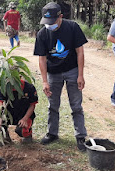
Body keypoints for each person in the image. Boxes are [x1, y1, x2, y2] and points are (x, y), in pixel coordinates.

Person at [33, 2, 88, 151]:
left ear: (60, 17)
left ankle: (81, 136)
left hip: (72, 70)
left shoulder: (72, 27)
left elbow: (80, 52)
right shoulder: (42, 34)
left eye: (51, 22)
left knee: (76, 105)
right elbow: (42, 59)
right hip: (53, 73)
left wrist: (80, 75)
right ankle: (52, 133)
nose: (49, 25)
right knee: (53, 105)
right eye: (46, 22)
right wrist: (45, 81)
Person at [0, 79, 38, 145]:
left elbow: (32, 105)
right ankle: (4, 136)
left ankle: (27, 134)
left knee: (21, 131)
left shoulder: (28, 87)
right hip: (10, 113)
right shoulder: (4, 86)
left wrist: (25, 119)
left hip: (24, 114)